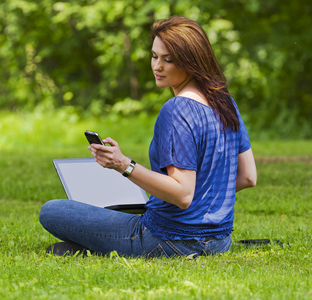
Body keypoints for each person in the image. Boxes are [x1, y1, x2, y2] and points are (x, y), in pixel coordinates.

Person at [39, 16, 257, 258]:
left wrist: (123, 165)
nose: (157, 66)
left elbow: (183, 194)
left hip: (168, 239)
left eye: (168, 59)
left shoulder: (177, 110)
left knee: (52, 210)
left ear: (191, 62)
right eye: (155, 56)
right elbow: (248, 177)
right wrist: (203, 204)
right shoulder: (226, 103)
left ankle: (95, 247)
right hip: (219, 241)